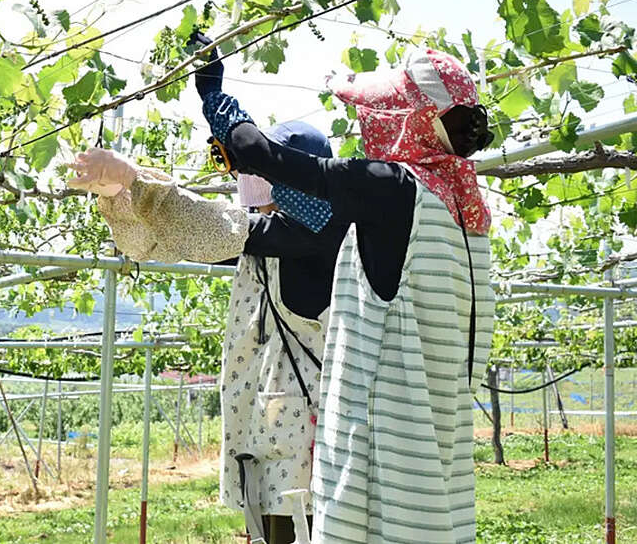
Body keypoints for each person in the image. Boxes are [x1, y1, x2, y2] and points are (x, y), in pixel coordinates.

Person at [201, 37, 496, 543]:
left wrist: (213, 93)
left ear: (406, 118)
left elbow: (259, 153)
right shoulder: (467, 212)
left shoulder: (391, 187)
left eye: (377, 111)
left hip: (387, 450)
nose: (368, 124)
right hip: (439, 444)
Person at [68, 120, 346, 542]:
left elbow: (218, 228)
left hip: (305, 448)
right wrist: (121, 197)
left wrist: (135, 180)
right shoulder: (268, 238)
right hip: (268, 439)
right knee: (271, 528)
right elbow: (173, 241)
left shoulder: (316, 232)